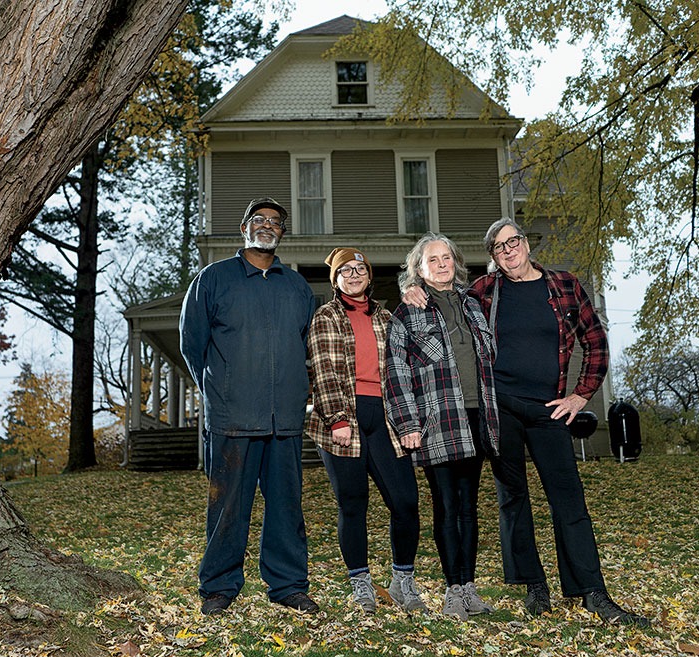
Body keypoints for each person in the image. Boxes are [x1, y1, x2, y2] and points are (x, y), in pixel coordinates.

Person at [471, 217, 649, 627]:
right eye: (499, 247)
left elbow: (596, 343)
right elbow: (445, 311)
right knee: (512, 498)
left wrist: (581, 394)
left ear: (526, 244)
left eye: (513, 241)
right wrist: (413, 289)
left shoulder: (564, 284)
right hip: (501, 409)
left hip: (550, 409)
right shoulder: (483, 291)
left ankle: (592, 591)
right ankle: (535, 586)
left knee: (568, 500)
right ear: (494, 258)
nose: (509, 250)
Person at [179, 197, 318, 615]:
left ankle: (288, 585)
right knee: (228, 508)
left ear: (282, 233)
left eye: (276, 222)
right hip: (232, 417)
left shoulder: (296, 286)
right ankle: (219, 588)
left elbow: (307, 348)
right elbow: (192, 346)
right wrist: (220, 390)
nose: (268, 225)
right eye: (259, 219)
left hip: (285, 421)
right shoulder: (213, 279)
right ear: (244, 228)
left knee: (286, 508)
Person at [384, 233, 500, 621]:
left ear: (456, 262)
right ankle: (452, 591)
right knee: (446, 505)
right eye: (432, 259)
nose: (441, 263)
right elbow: (396, 374)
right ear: (419, 268)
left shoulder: (473, 304)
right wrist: (407, 424)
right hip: (438, 420)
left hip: (477, 415)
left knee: (469, 507)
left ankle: (469, 588)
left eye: (446, 257)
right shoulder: (407, 314)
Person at [307, 248, 425, 614]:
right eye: (346, 270)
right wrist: (338, 419)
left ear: (370, 277)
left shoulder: (388, 317)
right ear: (336, 279)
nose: (354, 274)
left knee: (405, 501)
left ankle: (402, 581)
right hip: (343, 416)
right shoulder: (326, 316)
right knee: (353, 503)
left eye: (360, 269)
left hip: (385, 415)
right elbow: (322, 368)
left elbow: (407, 364)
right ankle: (361, 585)